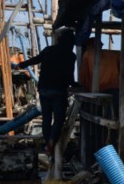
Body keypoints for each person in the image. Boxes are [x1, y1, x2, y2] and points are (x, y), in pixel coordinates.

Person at [14, 27, 77, 157]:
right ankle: (52, 142)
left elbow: (34, 60)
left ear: (59, 40)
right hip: (59, 91)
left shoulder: (49, 50)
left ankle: (48, 142)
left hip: (44, 90)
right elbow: (70, 76)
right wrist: (75, 84)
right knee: (59, 119)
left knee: (46, 119)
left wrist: (21, 65)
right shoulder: (71, 56)